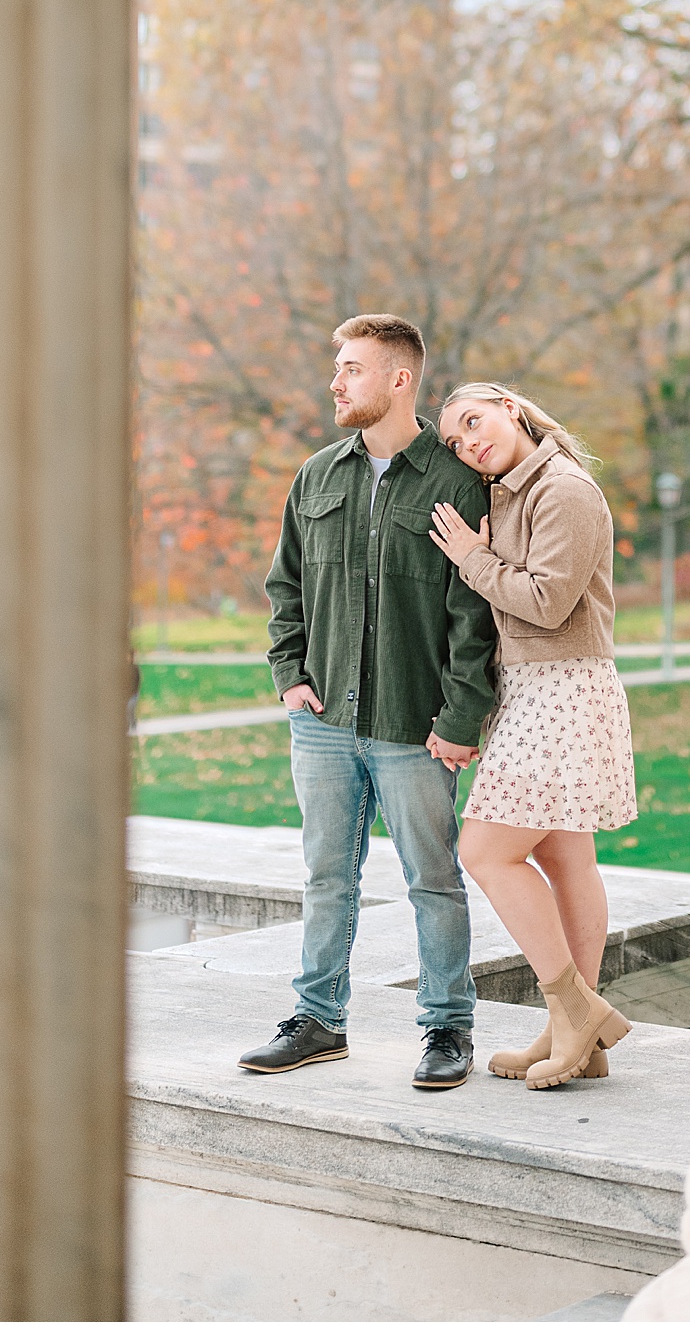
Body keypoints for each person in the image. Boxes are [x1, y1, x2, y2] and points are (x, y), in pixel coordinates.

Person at [239, 315, 497, 1091]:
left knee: (433, 878)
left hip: (412, 728)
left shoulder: (455, 484)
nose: (336, 383)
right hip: (322, 725)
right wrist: (289, 672)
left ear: (397, 379)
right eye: (338, 368)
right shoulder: (316, 475)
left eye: (352, 369)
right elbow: (285, 586)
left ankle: (448, 1026)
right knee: (326, 876)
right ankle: (318, 1020)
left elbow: (472, 616)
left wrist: (458, 719)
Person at [429, 381, 637, 1089]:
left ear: (509, 409)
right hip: (536, 688)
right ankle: (577, 1035)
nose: (468, 443)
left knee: (485, 850)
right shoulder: (513, 493)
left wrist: (473, 560)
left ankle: (575, 1010)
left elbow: (548, 604)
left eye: (474, 422)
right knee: (564, 857)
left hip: (564, 686)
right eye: (455, 441)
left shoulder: (564, 490)